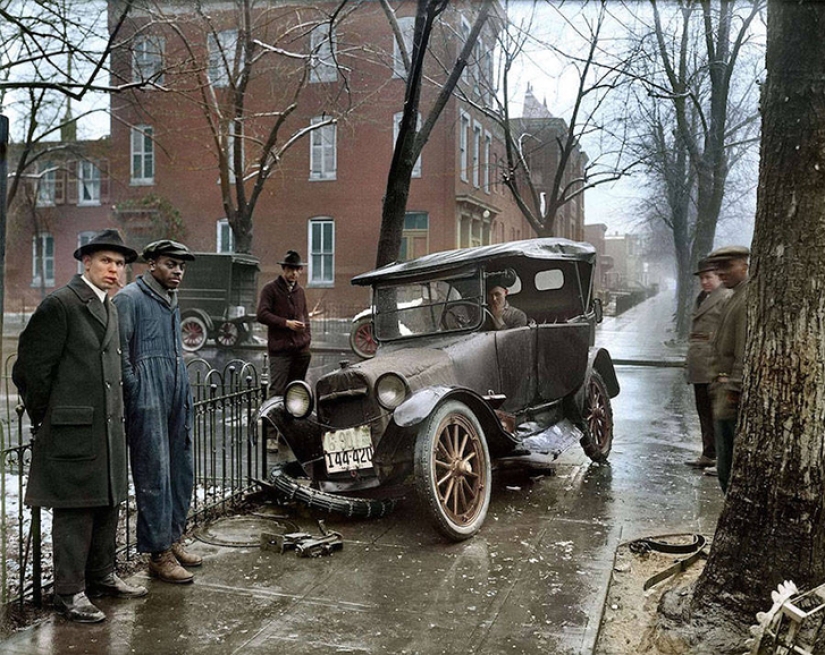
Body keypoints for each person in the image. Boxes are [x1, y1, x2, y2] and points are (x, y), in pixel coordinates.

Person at [12, 229, 147, 623]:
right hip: (72, 429)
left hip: (104, 428)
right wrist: (50, 417)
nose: (114, 269)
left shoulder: (110, 306)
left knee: (106, 501)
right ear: (86, 262)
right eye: (106, 260)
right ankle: (69, 592)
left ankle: (101, 575)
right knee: (74, 510)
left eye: (120, 263)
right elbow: (30, 371)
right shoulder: (61, 304)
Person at [113, 239, 201, 584]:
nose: (177, 270)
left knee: (181, 469)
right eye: (170, 263)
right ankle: (157, 553)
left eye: (181, 265)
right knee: (153, 473)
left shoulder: (170, 298)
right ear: (151, 264)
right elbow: (120, 355)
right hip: (147, 396)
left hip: (176, 389)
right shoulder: (129, 299)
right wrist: (136, 390)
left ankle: (173, 536)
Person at [707, 245, 750, 494]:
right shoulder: (734, 296)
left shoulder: (745, 298)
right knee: (725, 462)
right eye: (719, 268)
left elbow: (743, 348)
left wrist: (734, 388)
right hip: (723, 389)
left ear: (744, 265)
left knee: (729, 465)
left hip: (731, 394)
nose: (722, 273)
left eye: (728, 266)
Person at [684, 258, 732, 470]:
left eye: (709, 277)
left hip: (714, 364)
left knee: (718, 414)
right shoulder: (703, 298)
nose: (705, 282)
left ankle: (723, 460)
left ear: (719, 277)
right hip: (699, 364)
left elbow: (728, 334)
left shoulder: (725, 298)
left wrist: (724, 369)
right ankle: (709, 453)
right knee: (703, 411)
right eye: (702, 278)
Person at [256, 250, 312, 397]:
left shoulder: (300, 292)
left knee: (297, 392)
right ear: (284, 269)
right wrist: (286, 323)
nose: (294, 273)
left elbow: (305, 317)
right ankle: (273, 420)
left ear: (300, 271)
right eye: (290, 269)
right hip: (280, 351)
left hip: (300, 352)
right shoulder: (270, 289)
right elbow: (262, 314)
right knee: (277, 392)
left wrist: (306, 340)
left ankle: (293, 420)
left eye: (297, 269)